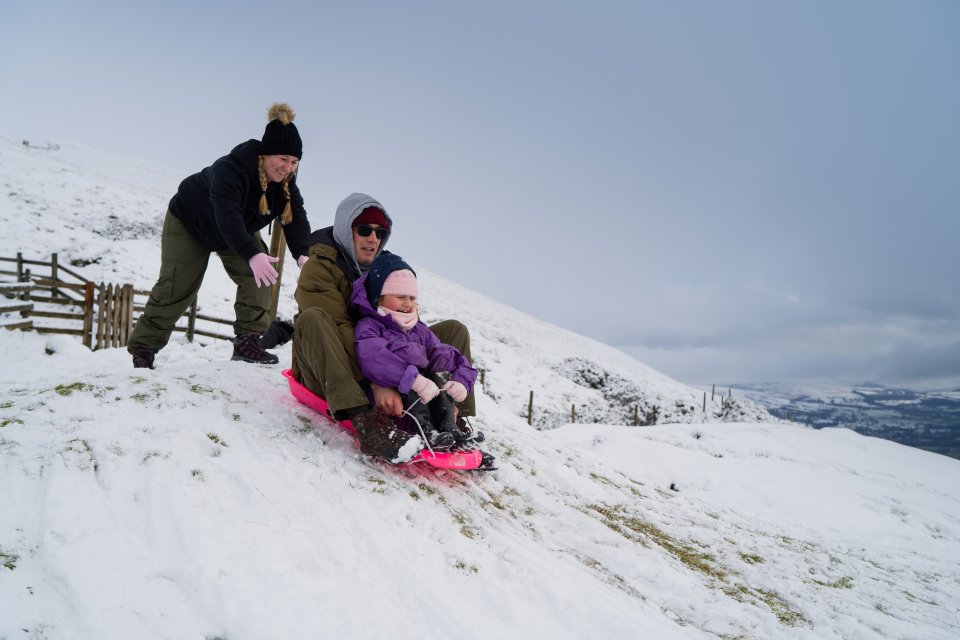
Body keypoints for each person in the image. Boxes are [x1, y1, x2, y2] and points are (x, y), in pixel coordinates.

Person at [292, 193, 480, 464]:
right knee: (312, 319)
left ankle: (452, 416)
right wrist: (378, 383)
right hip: (330, 369)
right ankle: (369, 424)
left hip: (383, 362)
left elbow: (407, 326)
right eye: (365, 230)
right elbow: (344, 330)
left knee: (452, 331)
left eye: (380, 233)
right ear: (347, 230)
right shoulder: (319, 268)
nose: (373, 239)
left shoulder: (383, 269)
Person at [127, 103, 312, 369]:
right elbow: (227, 216)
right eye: (283, 159)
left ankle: (248, 342)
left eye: (294, 162)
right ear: (266, 153)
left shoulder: (284, 185)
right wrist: (251, 253)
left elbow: (295, 219)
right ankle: (144, 348)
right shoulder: (232, 169)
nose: (288, 167)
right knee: (177, 287)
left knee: (260, 275)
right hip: (190, 222)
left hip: (235, 230)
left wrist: (303, 253)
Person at [352, 253, 478, 450]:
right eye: (400, 297)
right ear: (380, 297)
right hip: (395, 405)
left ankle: (449, 427)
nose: (408, 303)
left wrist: (461, 378)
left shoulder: (418, 328)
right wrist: (413, 379)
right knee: (413, 372)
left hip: (424, 397)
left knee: (438, 370)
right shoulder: (370, 326)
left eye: (412, 297)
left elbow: (441, 352)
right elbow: (373, 358)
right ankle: (425, 432)